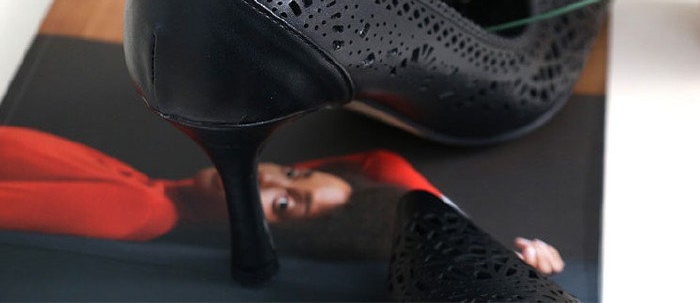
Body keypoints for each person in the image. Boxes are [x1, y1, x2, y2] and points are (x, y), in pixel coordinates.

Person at [0, 125, 563, 274]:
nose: (262, 182)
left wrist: (491, 263)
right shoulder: (142, 189)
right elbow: (383, 167)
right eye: (292, 174)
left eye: (285, 207)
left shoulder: (140, 209)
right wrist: (478, 244)